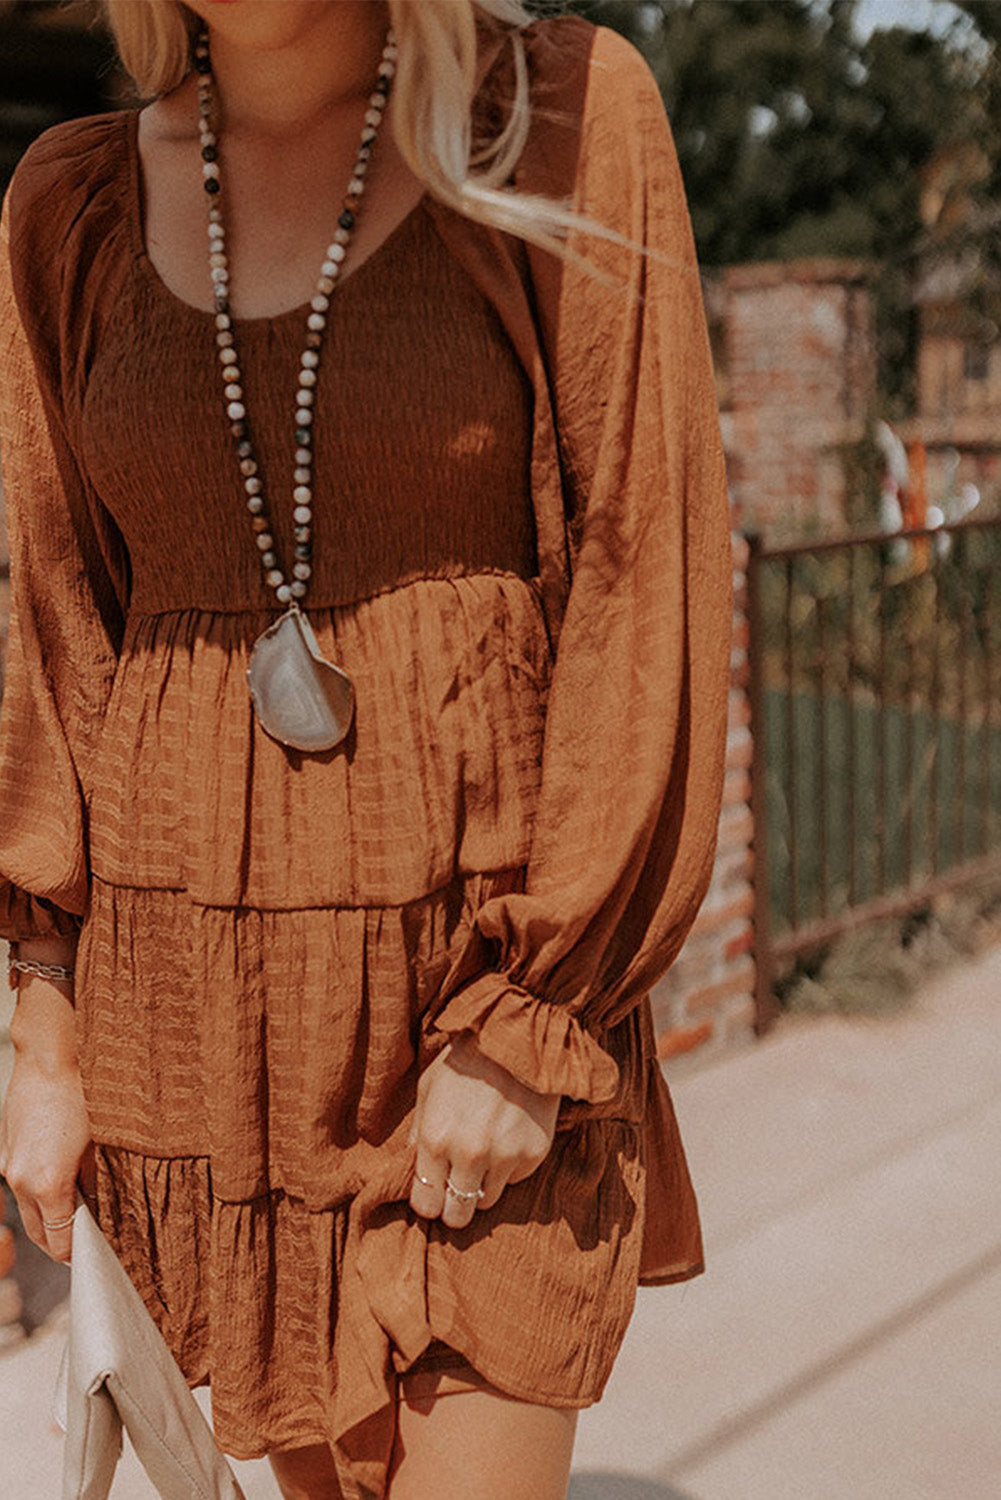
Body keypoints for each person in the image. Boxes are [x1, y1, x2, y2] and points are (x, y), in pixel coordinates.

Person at [0, 2, 732, 1497]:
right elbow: (57, 626)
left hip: (479, 990)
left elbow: (636, 570)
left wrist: (535, 1021)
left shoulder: (561, 119)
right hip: (204, 1024)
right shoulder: (66, 205)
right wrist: (43, 1038)